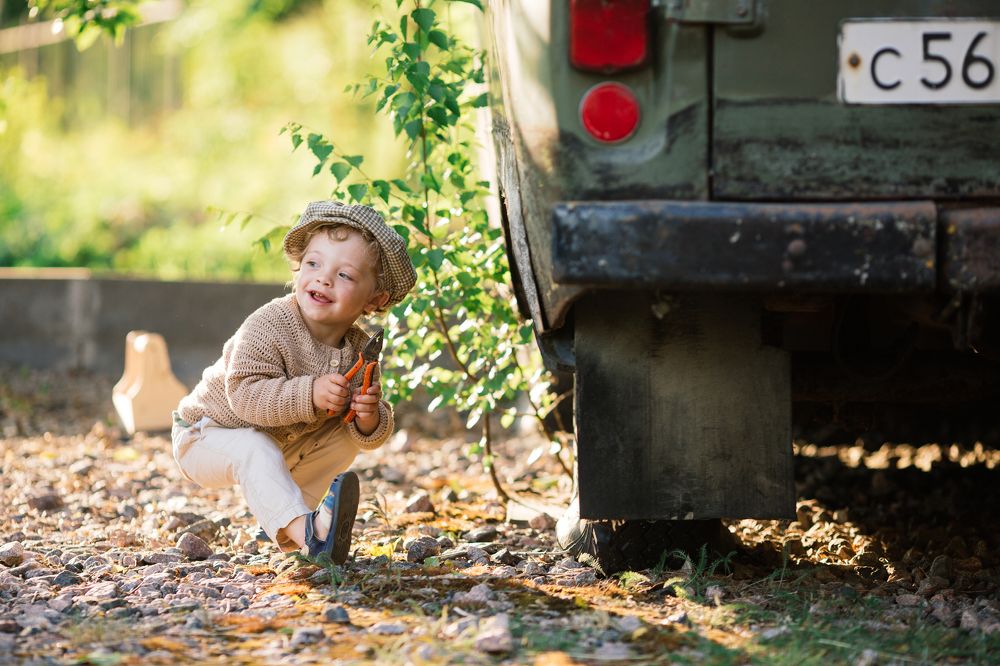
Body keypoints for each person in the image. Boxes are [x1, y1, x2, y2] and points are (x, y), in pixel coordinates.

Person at [170, 200, 416, 563]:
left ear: (374, 299)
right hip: (206, 433)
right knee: (254, 447)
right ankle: (311, 537)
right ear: (298, 267)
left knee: (344, 436)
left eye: (344, 275)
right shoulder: (270, 323)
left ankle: (294, 519)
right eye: (313, 264)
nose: (324, 279)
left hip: (276, 442)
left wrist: (368, 417)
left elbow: (368, 437)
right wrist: (311, 392)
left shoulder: (360, 352)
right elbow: (244, 396)